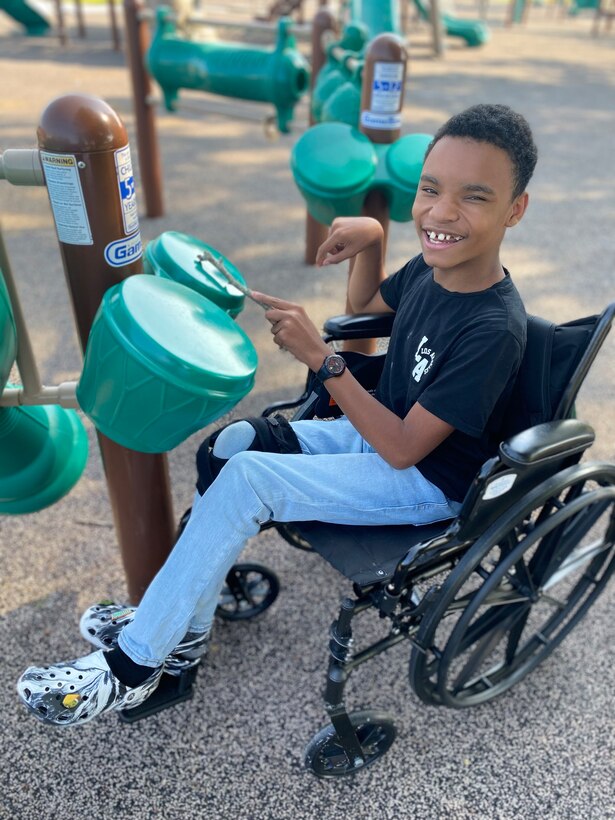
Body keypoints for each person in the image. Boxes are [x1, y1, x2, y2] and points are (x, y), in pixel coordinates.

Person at [17, 103, 538, 726]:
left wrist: (323, 360)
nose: (441, 212)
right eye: (430, 189)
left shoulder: (493, 328)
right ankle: (181, 637)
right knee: (227, 448)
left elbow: (403, 450)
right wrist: (371, 239)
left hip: (426, 480)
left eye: (472, 197)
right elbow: (369, 307)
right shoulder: (434, 267)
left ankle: (132, 667)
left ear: (515, 210)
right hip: (378, 434)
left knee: (249, 480)